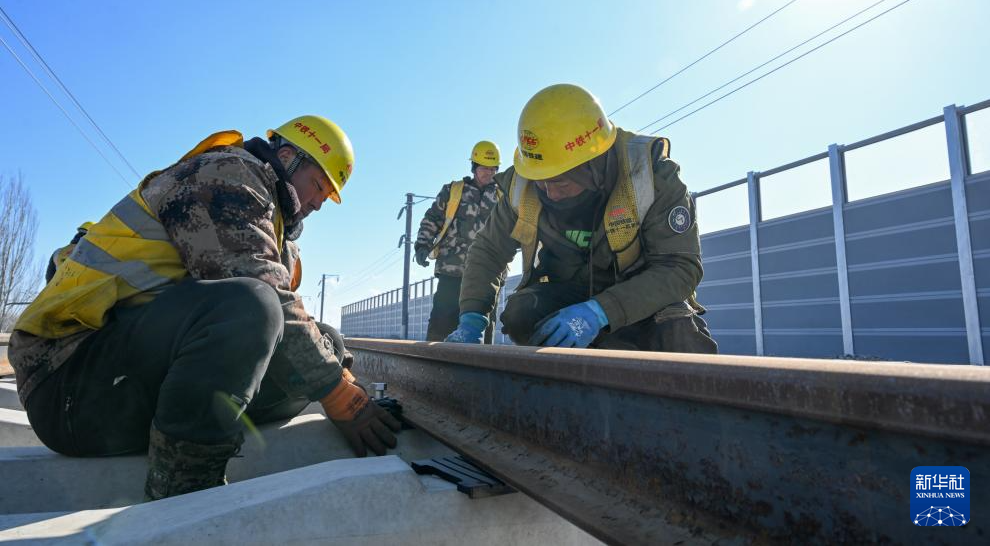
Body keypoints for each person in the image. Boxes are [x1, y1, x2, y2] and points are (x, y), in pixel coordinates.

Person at [10, 116, 401, 500]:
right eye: (317, 185)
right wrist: (339, 397)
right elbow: (267, 298)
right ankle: (184, 486)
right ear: (286, 156)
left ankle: (185, 439)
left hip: (123, 385)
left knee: (326, 343)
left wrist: (346, 382)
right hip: (67, 385)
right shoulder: (228, 174)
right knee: (252, 306)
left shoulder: (273, 221)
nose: (317, 204)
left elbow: (296, 327)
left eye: (326, 196)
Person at [445, 84, 717, 353]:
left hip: (639, 296)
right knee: (522, 312)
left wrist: (600, 311)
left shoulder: (649, 174)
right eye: (541, 182)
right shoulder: (524, 185)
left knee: (678, 335)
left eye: (561, 183)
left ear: (593, 166)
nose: (550, 192)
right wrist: (472, 318)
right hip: (570, 292)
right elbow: (489, 250)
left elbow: (680, 268)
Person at [414, 141, 505, 343]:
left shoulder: (502, 196)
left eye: (493, 169)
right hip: (452, 269)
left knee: (481, 327)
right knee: (442, 321)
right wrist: (422, 245)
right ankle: (434, 368)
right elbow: (432, 219)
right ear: (474, 167)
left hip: (487, 274)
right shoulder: (453, 191)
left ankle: (478, 369)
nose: (488, 173)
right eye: (484, 168)